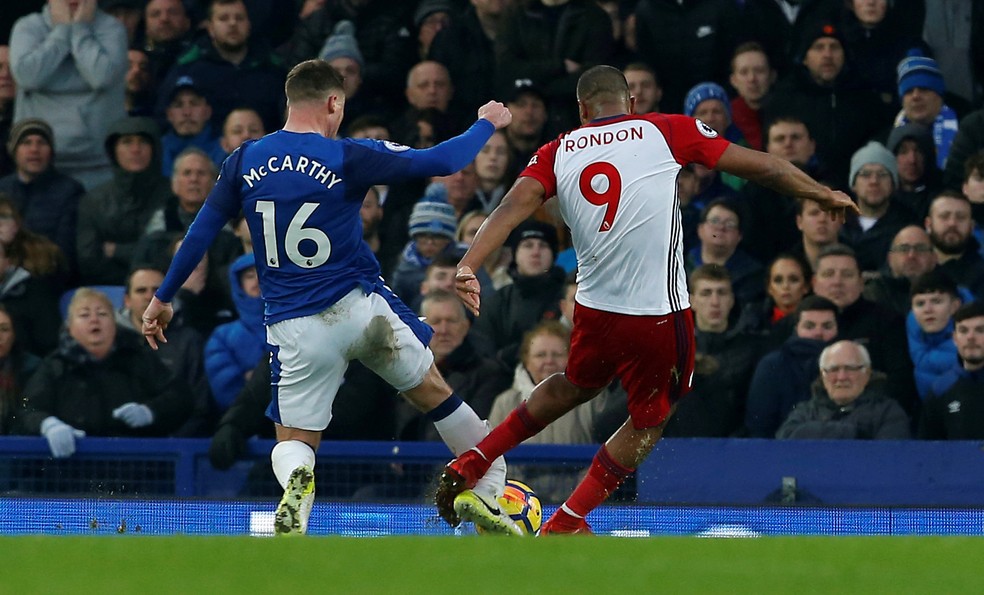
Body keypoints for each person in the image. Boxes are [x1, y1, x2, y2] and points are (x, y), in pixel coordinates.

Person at [436, 65, 857, 534]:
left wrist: (468, 264)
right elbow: (763, 165)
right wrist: (821, 193)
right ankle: (568, 521)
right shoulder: (663, 129)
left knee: (576, 383)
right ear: (631, 103)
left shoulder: (556, 151)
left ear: (582, 111)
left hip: (594, 310)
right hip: (657, 313)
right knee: (651, 419)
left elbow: (512, 206)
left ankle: (476, 458)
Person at [139, 59, 520, 536]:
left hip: (297, 325)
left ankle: (299, 481)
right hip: (361, 307)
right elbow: (442, 161)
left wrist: (163, 296)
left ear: (288, 100)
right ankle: (489, 490)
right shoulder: (348, 155)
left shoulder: (243, 160)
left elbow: (200, 233)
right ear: (333, 102)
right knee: (436, 395)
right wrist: (488, 121)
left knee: (295, 439)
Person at [17, 288, 193, 458]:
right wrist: (48, 425)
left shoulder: (138, 358)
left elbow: (180, 397)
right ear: (69, 327)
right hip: (70, 469)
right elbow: (28, 410)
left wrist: (150, 411)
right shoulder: (54, 366)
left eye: (102, 314)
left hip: (135, 468)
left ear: (114, 324)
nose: (94, 320)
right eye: (84, 315)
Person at [9, 0, 128, 189]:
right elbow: (27, 76)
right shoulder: (28, 27)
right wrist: (62, 32)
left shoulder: (112, 28)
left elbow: (102, 76)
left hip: (99, 167)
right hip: (39, 166)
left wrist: (79, 30)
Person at [775, 340, 910, 440]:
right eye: (833, 369)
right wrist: (852, 432)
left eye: (850, 368)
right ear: (822, 375)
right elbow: (784, 439)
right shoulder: (805, 411)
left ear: (867, 373)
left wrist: (814, 431)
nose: (841, 377)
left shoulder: (889, 412)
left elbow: (887, 459)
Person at [745, 295, 839, 438]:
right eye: (809, 326)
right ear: (797, 329)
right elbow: (759, 425)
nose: (819, 333)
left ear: (838, 329)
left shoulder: (853, 363)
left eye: (827, 326)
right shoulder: (773, 365)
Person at [918, 301, 984, 440]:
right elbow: (928, 451)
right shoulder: (940, 389)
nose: (970, 337)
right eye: (963, 330)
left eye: (980, 330)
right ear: (955, 338)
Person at [907, 270, 963, 401]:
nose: (927, 310)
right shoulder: (913, 324)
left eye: (936, 301)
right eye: (920, 304)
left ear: (955, 306)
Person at [862, 225, 938, 318]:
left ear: (934, 258)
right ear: (890, 258)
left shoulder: (947, 292)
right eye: (904, 249)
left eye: (920, 249)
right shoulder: (871, 295)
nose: (912, 255)